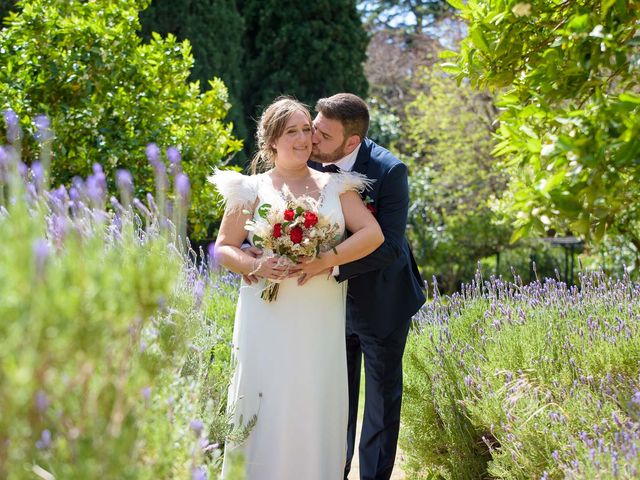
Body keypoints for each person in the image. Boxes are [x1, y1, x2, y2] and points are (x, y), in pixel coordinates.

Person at [209, 97, 384, 480]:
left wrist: (327, 258)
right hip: (265, 315)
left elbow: (373, 234)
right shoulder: (249, 188)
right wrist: (256, 264)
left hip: (318, 314)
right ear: (272, 141)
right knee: (264, 396)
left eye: (307, 129)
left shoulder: (336, 185)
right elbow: (223, 247)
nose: (304, 138)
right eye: (293, 131)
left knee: (312, 397)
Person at [308, 93, 426, 480]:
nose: (312, 139)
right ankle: (333, 471)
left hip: (383, 302)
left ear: (352, 142)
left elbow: (390, 246)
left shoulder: (390, 171)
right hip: (327, 303)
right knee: (335, 400)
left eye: (323, 135)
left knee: (380, 403)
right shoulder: (308, 158)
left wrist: (331, 265)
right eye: (313, 127)